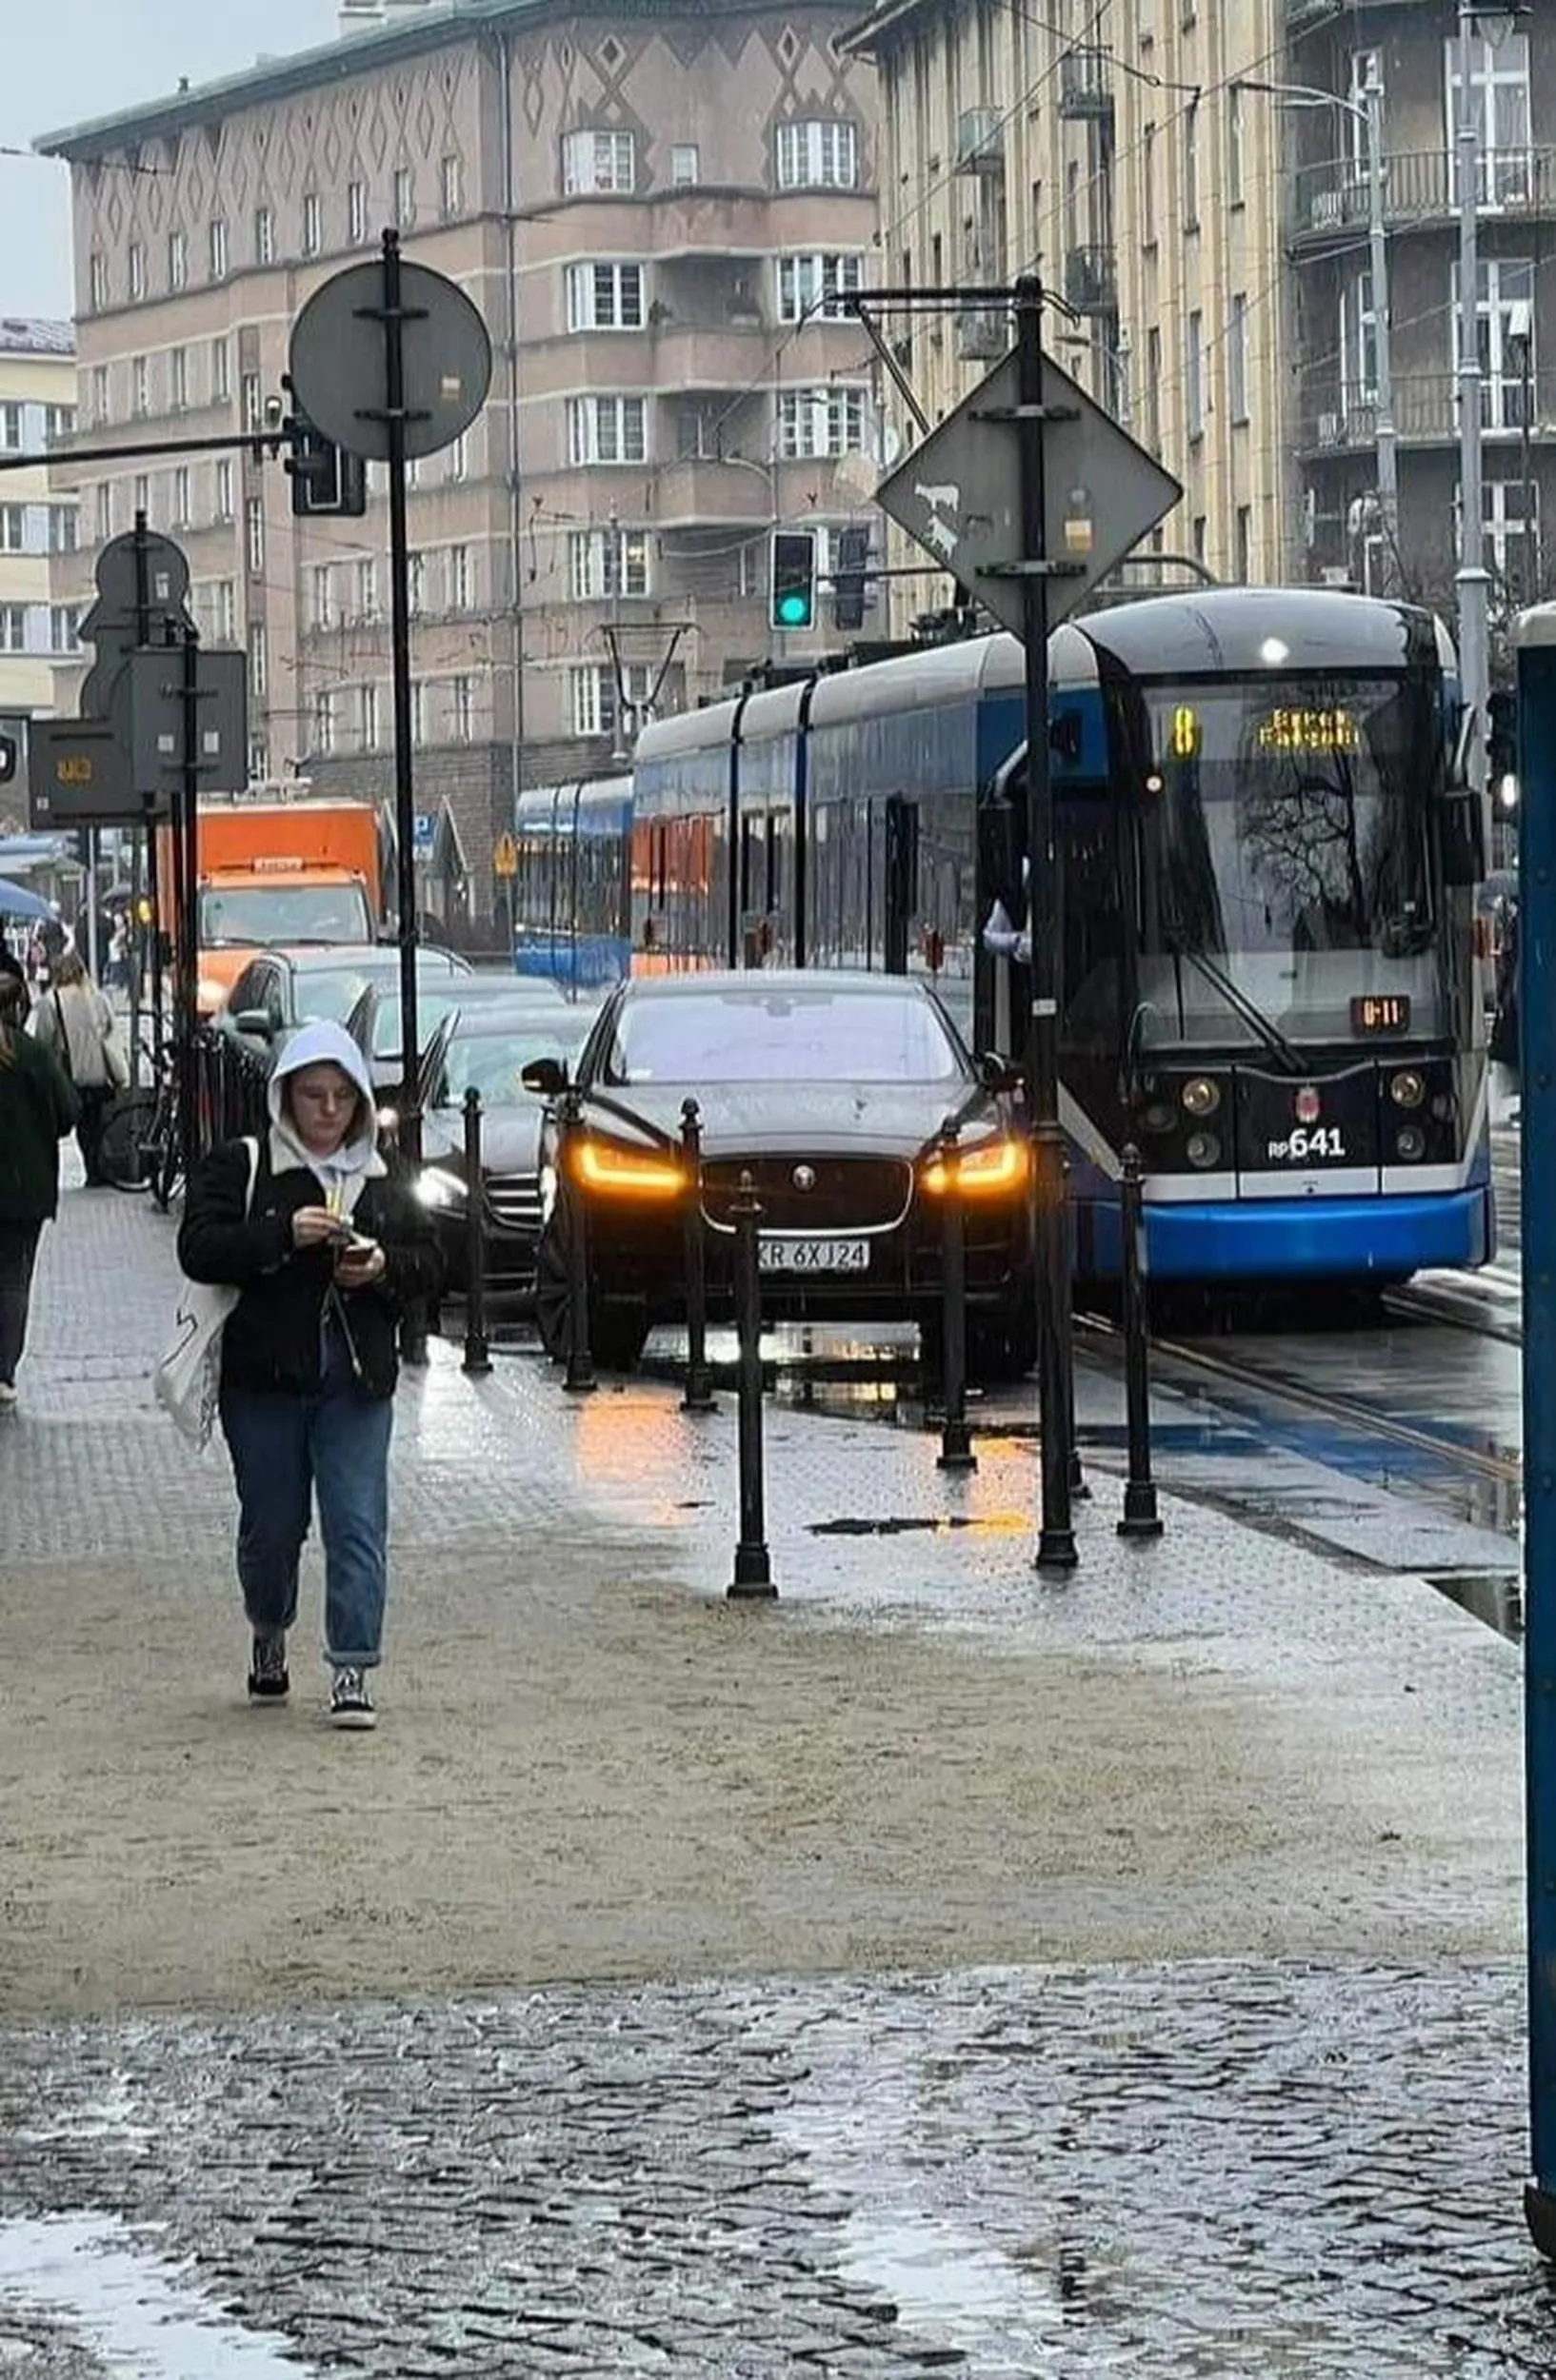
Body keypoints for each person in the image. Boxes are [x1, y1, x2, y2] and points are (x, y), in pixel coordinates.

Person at [177, 1020, 442, 1729]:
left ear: (359, 1102)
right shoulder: (244, 1163)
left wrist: (382, 1268)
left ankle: (353, 1666)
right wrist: (280, 1236)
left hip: (356, 1380)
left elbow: (437, 1260)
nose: (327, 1111)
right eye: (312, 1096)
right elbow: (199, 1248)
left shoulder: (387, 1177)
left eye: (341, 1098)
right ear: (285, 1095)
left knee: (356, 1523)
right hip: (263, 1379)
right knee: (273, 1526)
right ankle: (269, 1626)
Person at [0, 969, 78, 1411]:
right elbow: (68, 1110)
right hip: (23, 1188)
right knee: (12, 1280)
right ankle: (3, 1371)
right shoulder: (33, 1055)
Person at [31, 948, 127, 1187]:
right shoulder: (97, 997)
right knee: (94, 1122)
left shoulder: (50, 1002)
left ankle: (81, 1170)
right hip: (97, 1073)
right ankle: (95, 1170)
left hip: (67, 1074)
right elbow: (110, 1030)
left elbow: (43, 1041)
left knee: (68, 1123)